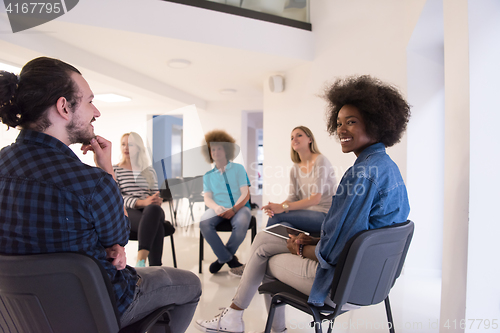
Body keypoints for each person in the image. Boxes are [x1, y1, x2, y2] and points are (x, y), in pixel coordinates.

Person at [195, 75, 411, 333]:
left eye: (351, 122)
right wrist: (311, 240)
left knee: (264, 253)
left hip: (341, 285)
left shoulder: (361, 175)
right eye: (339, 123)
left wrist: (298, 248)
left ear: (377, 123)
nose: (341, 129)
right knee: (266, 240)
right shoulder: (388, 169)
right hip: (375, 282)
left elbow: (332, 252)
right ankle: (239, 318)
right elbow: (355, 236)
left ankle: (240, 320)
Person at [0, 57, 201, 332]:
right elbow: (117, 238)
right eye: (89, 101)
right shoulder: (91, 182)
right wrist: (107, 171)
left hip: (21, 313)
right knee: (190, 284)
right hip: (97, 304)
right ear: (63, 107)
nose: (96, 112)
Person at [262, 126, 336, 235]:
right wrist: (276, 207)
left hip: (324, 215)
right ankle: (269, 249)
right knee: (285, 225)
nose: (294, 139)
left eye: (299, 135)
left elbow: (315, 199)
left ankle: (260, 247)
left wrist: (282, 208)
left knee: (278, 216)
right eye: (292, 138)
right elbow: (292, 197)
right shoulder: (295, 169)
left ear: (310, 139)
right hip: (306, 214)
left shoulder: (320, 160)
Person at [114, 132, 171, 267]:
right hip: (128, 210)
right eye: (123, 144)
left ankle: (140, 262)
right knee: (157, 227)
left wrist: (157, 199)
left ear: (139, 147)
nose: (126, 148)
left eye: (130, 144)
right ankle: (154, 267)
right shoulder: (115, 170)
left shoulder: (149, 171)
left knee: (153, 210)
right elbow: (117, 197)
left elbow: (154, 193)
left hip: (152, 210)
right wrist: (141, 202)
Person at [200, 129, 252, 277]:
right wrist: (216, 207)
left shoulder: (238, 169)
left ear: (227, 150)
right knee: (204, 222)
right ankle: (229, 259)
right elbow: (207, 198)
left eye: (219, 148)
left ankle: (221, 259)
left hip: (240, 207)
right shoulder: (208, 176)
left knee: (241, 223)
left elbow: (245, 194)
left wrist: (234, 209)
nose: (216, 152)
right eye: (213, 149)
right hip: (218, 208)